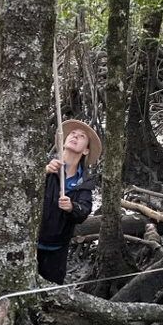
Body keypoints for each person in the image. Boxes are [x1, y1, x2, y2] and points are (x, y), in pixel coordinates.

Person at [38, 120, 101, 284]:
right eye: (73, 133)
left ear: (86, 150)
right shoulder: (44, 163)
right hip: (31, 243)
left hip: (57, 249)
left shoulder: (84, 181)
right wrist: (43, 172)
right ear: (64, 140)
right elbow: (22, 187)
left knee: (50, 293)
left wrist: (72, 207)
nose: (75, 136)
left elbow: (84, 211)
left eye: (81, 136)